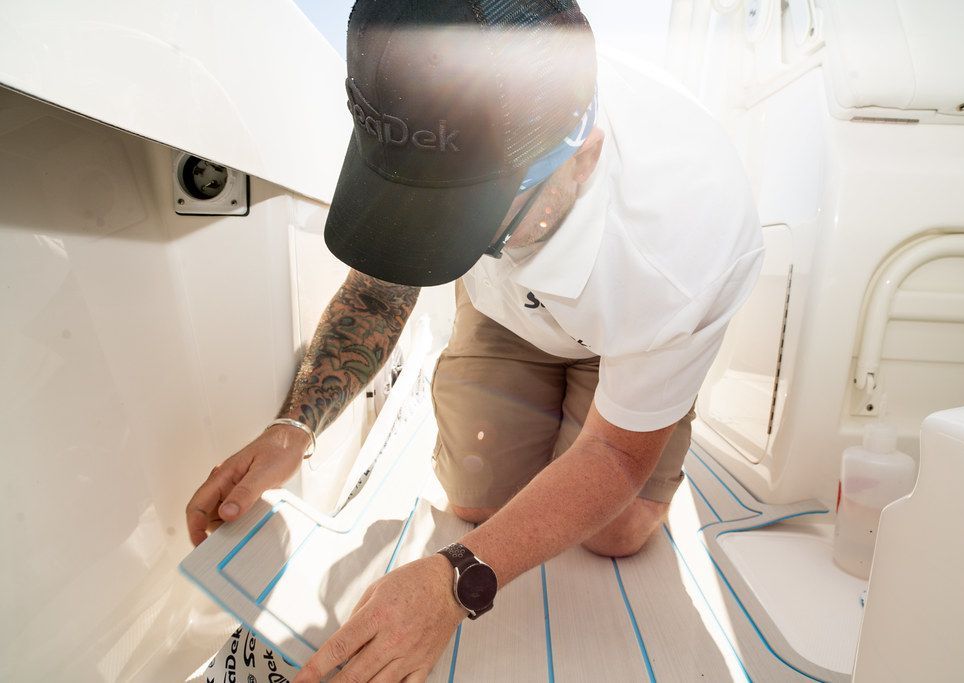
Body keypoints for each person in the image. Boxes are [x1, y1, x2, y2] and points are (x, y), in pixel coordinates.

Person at [185, 0, 763, 680]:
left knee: (617, 531)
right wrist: (294, 426)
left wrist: (455, 579)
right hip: (504, 314)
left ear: (582, 161)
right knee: (474, 501)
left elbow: (612, 451)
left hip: (630, 336)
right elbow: (378, 291)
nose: (427, 229)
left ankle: (645, 404)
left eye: (463, 216)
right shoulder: (431, 118)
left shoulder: (681, 245)